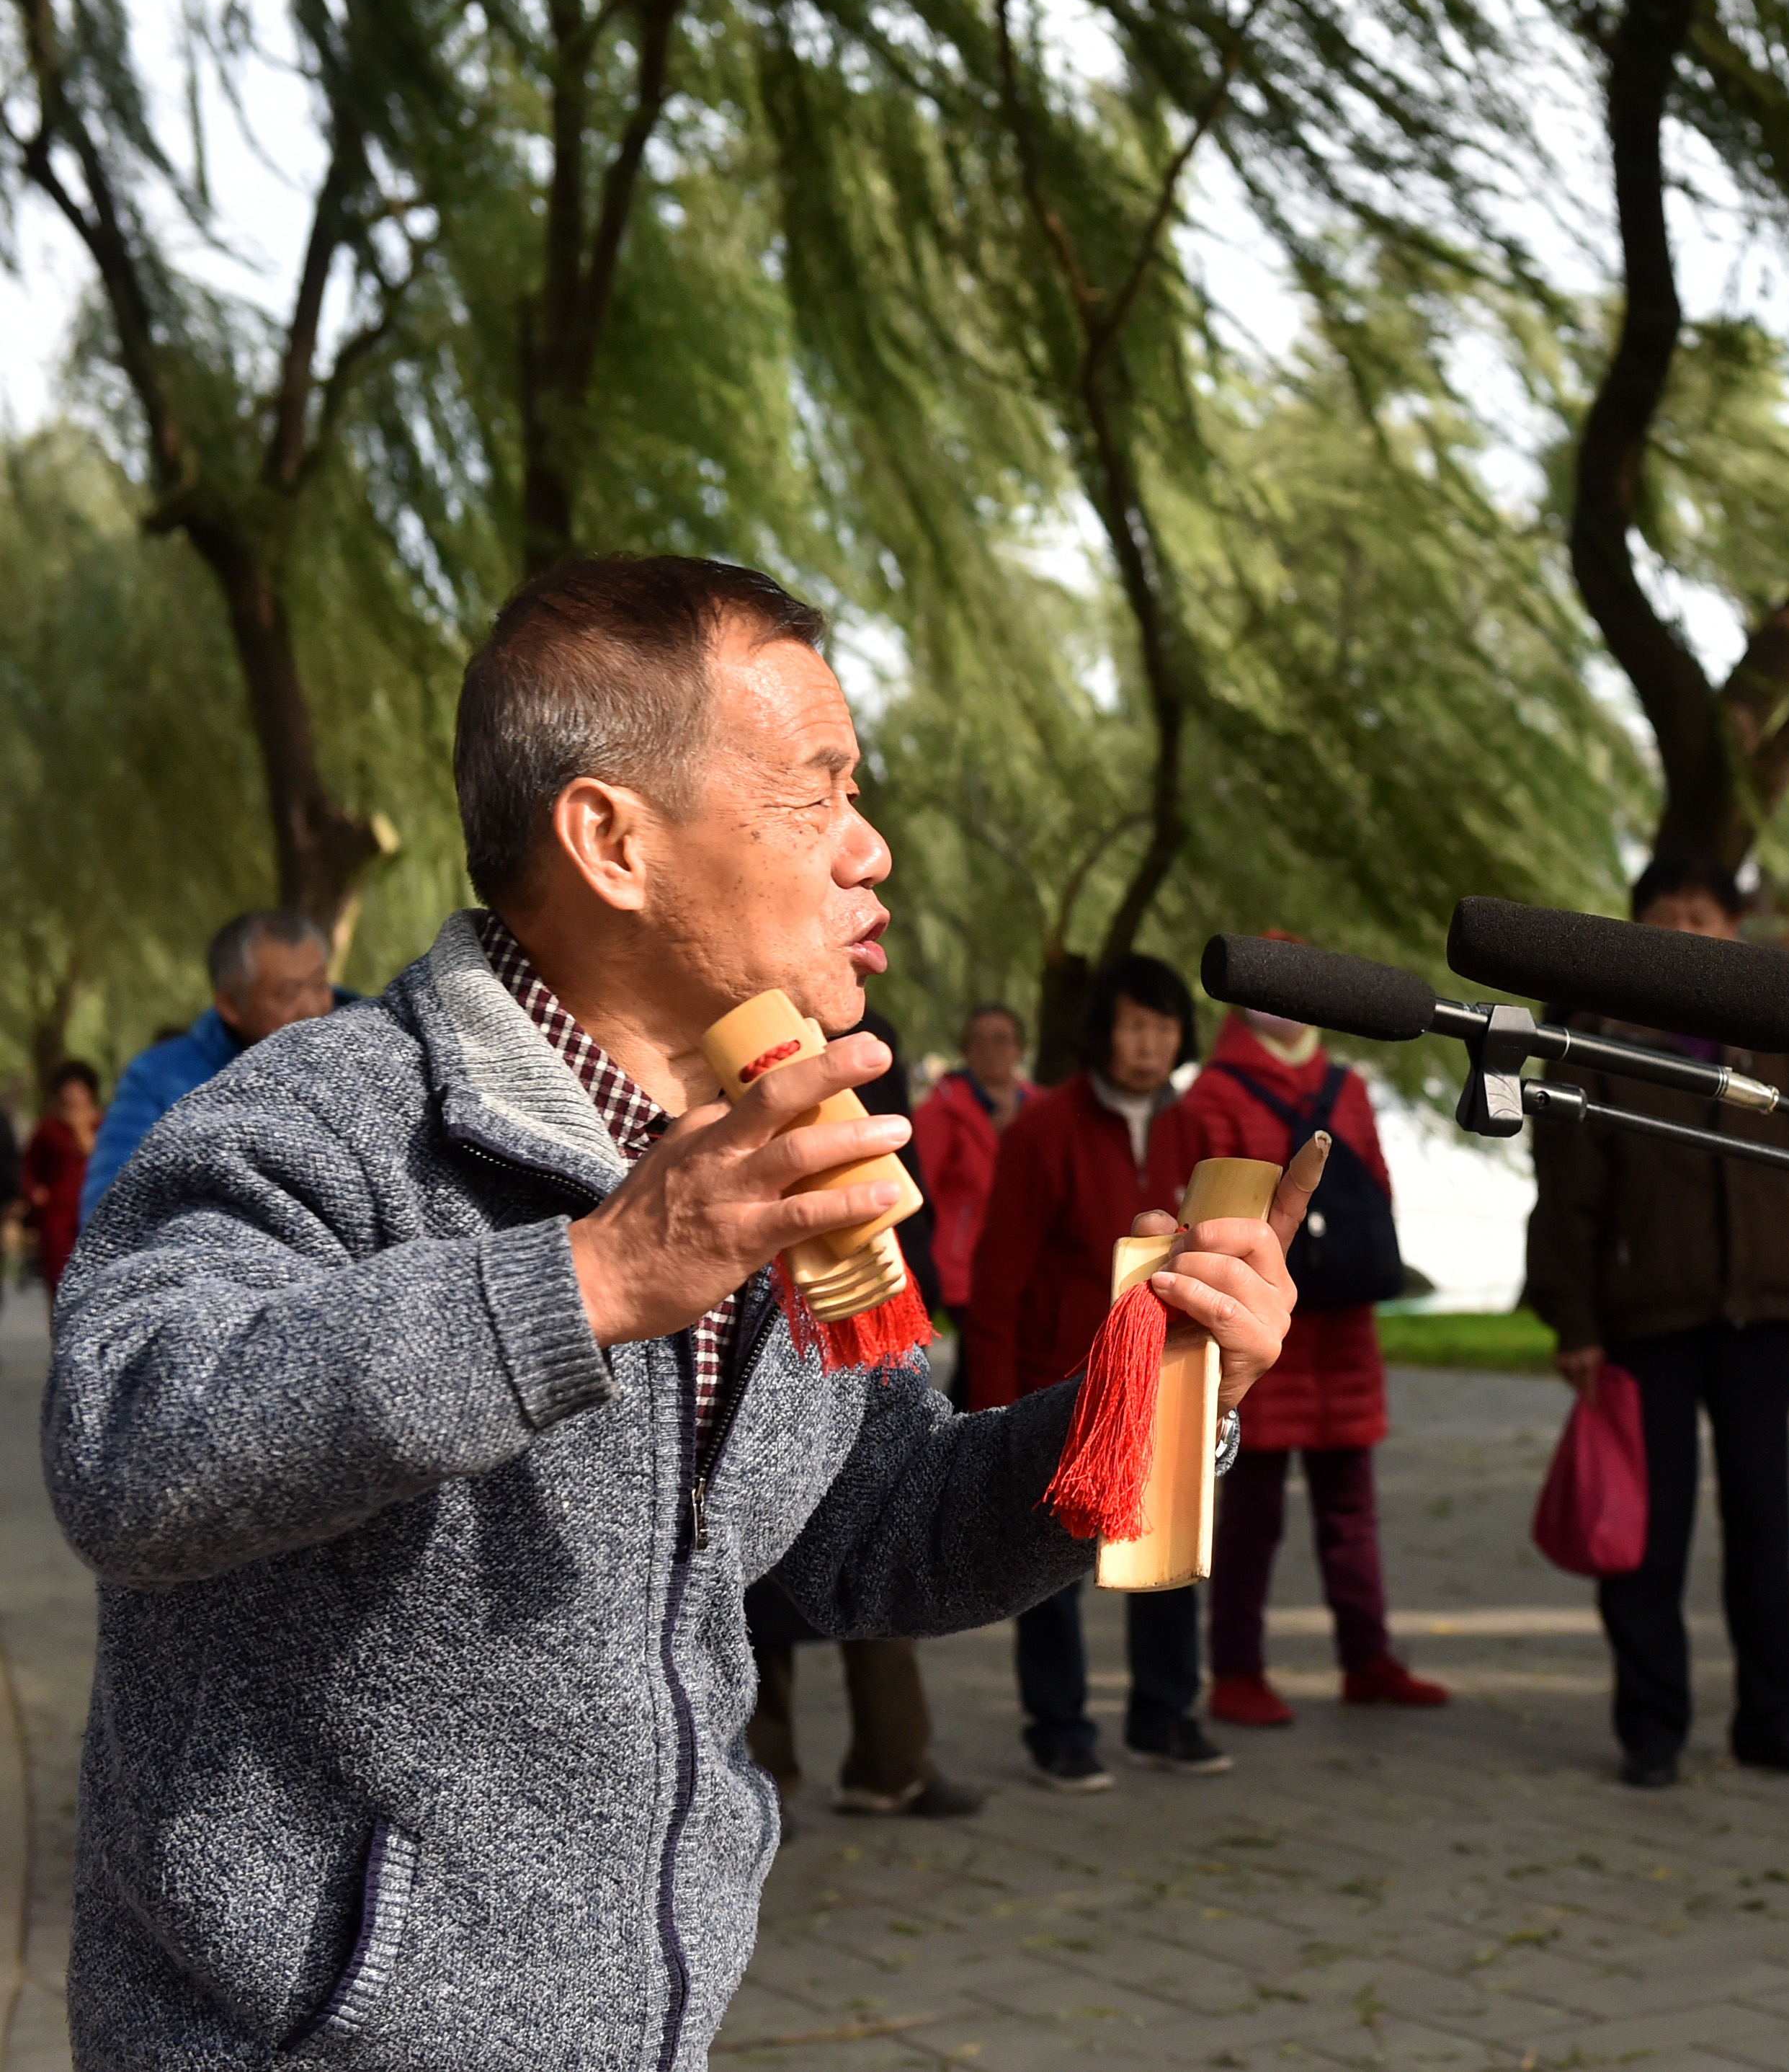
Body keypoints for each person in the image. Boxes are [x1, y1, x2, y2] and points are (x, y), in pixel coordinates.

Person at [48, 553, 1303, 2068]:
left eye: (858, 793)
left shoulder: (772, 1148)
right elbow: (127, 1442)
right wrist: (590, 1279)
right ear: (612, 841)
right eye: (815, 792)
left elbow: (877, 1532)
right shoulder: (321, 1117)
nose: (872, 848)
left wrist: (1158, 1390)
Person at [1524, 853, 1789, 1789]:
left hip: (1760, 1319)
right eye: (1667, 913)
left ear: (1734, 931)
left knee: (1762, 1528)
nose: (1686, 931)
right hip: (1641, 1321)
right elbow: (1566, 1198)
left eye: (1704, 914)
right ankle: (1651, 1727)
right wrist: (1574, 1320)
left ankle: (1772, 1716)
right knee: (1647, 1536)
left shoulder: (1769, 1039)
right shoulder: (1592, 1043)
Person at [963, 954, 1229, 1791]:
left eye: (1163, 1026)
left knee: (1169, 1549)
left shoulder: (1197, 1134)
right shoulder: (1041, 1134)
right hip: (1059, 1386)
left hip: (1166, 1384)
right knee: (1051, 1569)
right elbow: (997, 1285)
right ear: (1100, 1033)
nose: (1149, 1044)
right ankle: (1058, 1729)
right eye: (1132, 1025)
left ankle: (1165, 1715)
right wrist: (992, 1416)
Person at [1183, 986, 1450, 1723]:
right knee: (1253, 1512)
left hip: (1344, 1334)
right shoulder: (1215, 1092)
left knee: (1351, 1510)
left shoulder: (1347, 1086)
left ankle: (1367, 1658)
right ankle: (1237, 1670)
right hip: (1263, 1330)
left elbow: (1378, 1190)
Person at [744, 1008, 983, 1821]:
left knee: (887, 1518)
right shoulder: (739, 1033)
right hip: (766, 1319)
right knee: (756, 1567)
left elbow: (898, 1171)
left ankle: (892, 1762)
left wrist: (916, 1283)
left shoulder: (868, 1031)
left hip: (871, 1312)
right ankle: (762, 1779)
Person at [79, 908, 337, 1222]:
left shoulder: (372, 1052)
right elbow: (111, 1216)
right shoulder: (158, 1080)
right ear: (230, 1006)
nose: (312, 1008)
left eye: (320, 984)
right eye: (287, 994)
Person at [913, 1001, 1032, 1316]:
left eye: (1001, 1040)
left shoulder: (1041, 1108)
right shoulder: (941, 1111)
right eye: (978, 1041)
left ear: (1019, 1049)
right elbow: (918, 1190)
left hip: (1031, 1268)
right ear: (965, 1050)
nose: (990, 1051)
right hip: (963, 1270)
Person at [21, 1061, 99, 1298]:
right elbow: (28, 1168)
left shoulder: (103, 1125)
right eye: (69, 1088)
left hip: (94, 1210)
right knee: (60, 1279)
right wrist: (35, 1193)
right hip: (57, 1215)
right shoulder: (49, 1129)